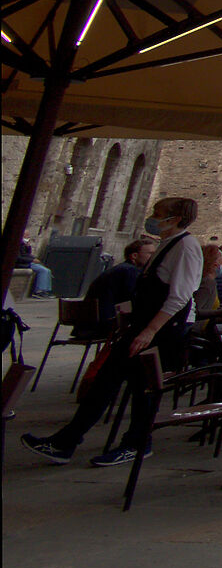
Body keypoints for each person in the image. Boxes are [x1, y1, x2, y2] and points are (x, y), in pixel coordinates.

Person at [23, 196, 205, 468]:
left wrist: (149, 331)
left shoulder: (186, 247)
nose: (153, 216)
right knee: (108, 383)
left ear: (176, 217)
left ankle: (134, 443)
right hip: (143, 327)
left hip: (158, 331)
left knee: (141, 387)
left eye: (158, 212)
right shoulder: (168, 244)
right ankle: (68, 442)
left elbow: (180, 296)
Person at [86, 235, 153, 324]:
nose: (153, 257)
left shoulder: (122, 269)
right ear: (134, 255)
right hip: (102, 324)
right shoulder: (129, 270)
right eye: (150, 253)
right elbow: (131, 299)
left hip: (90, 321)